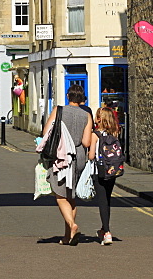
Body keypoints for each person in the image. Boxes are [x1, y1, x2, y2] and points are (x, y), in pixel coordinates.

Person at [41, 82, 92, 246]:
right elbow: (86, 141)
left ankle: (72, 225)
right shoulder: (87, 115)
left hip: (62, 157)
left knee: (60, 196)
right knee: (71, 197)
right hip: (79, 158)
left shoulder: (59, 110)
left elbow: (46, 132)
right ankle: (67, 236)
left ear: (68, 96)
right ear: (82, 99)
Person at [89, 107, 122, 245]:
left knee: (102, 201)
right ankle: (104, 229)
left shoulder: (95, 134)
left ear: (99, 119)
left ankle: (107, 232)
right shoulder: (115, 133)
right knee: (107, 200)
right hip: (112, 171)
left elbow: (91, 155)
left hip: (99, 171)